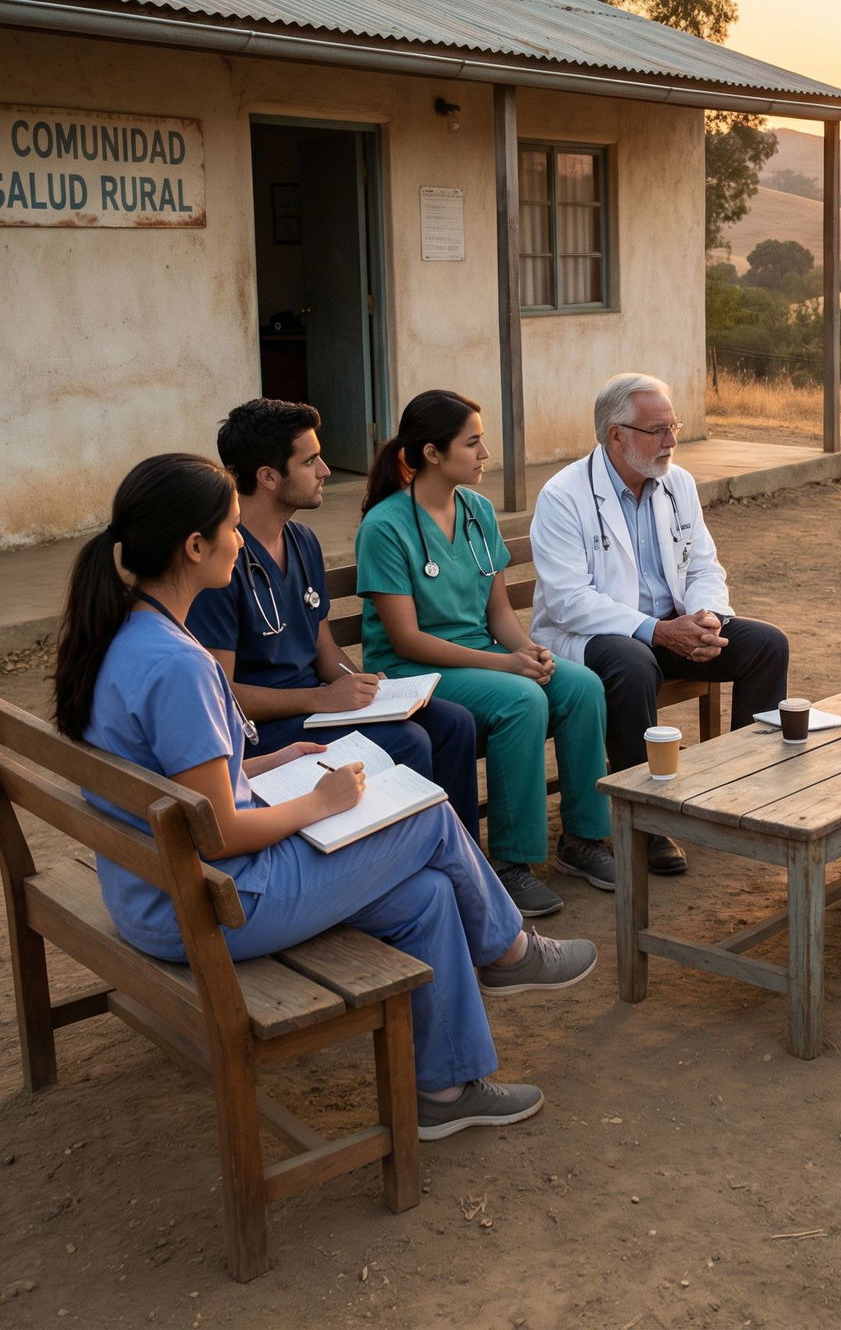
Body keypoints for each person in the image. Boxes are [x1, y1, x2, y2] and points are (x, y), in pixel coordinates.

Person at [54, 454, 598, 1141]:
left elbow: (184, 777)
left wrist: (272, 759)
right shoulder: (181, 664)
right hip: (211, 905)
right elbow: (219, 833)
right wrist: (322, 802)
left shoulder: (129, 633)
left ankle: (445, 1088)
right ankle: (509, 951)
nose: (240, 539)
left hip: (156, 890)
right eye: (229, 527)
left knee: (429, 894)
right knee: (427, 812)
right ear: (195, 547)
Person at [356, 390, 609, 920]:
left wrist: (531, 651)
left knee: (580, 685)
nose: (484, 453)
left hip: (483, 657)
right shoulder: (384, 526)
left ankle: (584, 839)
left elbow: (498, 615)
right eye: (472, 443)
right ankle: (510, 864)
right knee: (521, 701)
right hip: (414, 671)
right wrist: (506, 665)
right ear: (432, 453)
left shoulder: (476, 510)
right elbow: (405, 640)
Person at [530, 373, 790, 879]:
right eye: (658, 430)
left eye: (674, 426)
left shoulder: (678, 483)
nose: (672, 441)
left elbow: (703, 567)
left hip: (672, 626)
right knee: (633, 663)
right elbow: (568, 600)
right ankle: (646, 822)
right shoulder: (564, 495)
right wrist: (657, 630)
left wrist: (707, 617)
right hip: (593, 636)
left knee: (766, 644)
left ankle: (744, 793)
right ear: (616, 436)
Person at [188, 399, 482, 841]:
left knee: (452, 723)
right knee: (408, 741)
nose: (326, 469)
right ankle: (407, 865)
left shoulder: (302, 540)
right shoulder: (222, 562)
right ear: (268, 477)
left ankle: (461, 854)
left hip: (314, 710)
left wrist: (365, 686)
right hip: (263, 731)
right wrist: (321, 700)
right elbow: (223, 695)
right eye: (310, 461)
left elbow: (322, 647)